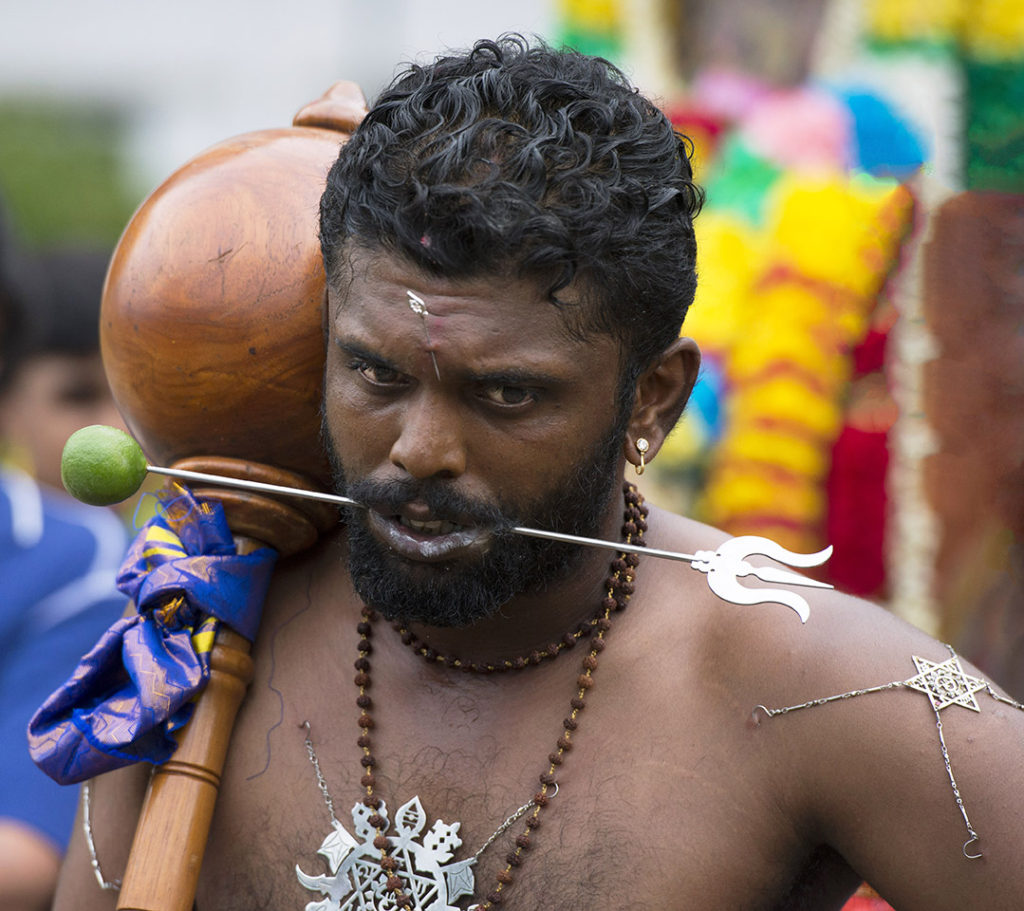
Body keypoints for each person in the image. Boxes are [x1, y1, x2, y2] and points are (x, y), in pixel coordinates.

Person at [53, 36, 1024, 910]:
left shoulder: (808, 682)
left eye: (505, 394)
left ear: (652, 397)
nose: (419, 448)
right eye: (376, 373)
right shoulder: (196, 629)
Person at [0, 230, 129, 911]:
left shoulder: (93, 565)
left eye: (132, 391)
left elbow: (28, 855)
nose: (114, 426)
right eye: (77, 396)